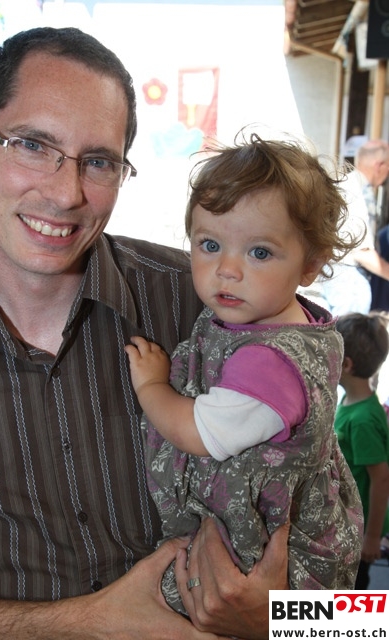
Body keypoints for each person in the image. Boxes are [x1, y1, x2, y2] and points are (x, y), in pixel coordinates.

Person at [0, 26, 290, 640]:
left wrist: (277, 620)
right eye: (32, 145)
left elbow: (362, 619)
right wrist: (86, 623)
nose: (64, 194)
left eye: (98, 162)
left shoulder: (223, 308)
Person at [125, 132, 364, 614]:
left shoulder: (269, 363)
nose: (227, 270)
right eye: (210, 244)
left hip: (270, 560)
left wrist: (150, 385)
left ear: (310, 265)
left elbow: (198, 433)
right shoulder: (268, 316)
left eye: (259, 252)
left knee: (167, 600)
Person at [334, 312, 389, 589]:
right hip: (347, 519)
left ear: (346, 364)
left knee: (353, 587)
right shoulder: (351, 400)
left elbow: (381, 479)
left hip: (359, 528)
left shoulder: (362, 420)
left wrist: (372, 537)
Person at [320, 139, 389, 316]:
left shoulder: (346, 185)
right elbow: (361, 251)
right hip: (348, 280)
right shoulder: (357, 192)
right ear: (379, 165)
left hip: (337, 276)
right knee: (348, 332)